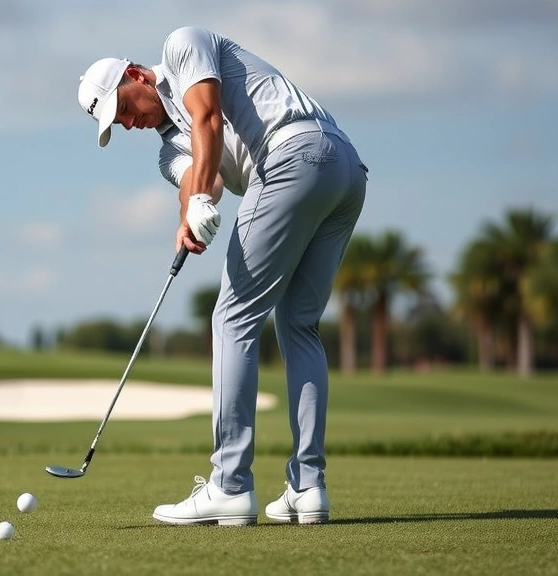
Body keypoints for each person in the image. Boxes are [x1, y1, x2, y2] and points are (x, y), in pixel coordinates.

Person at [76, 26, 367, 525]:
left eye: (123, 109)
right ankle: (308, 486)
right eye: (116, 124)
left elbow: (207, 116)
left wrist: (205, 201)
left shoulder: (182, 45)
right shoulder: (169, 149)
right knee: (298, 325)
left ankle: (230, 485)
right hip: (340, 171)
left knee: (232, 319)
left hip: (295, 156)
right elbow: (193, 175)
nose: (127, 124)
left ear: (134, 75)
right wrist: (188, 214)